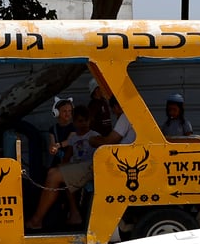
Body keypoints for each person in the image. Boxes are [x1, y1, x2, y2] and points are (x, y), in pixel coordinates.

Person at [26, 95, 135, 230]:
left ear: (117, 107)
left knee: (54, 176)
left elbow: (108, 141)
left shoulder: (125, 116)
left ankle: (37, 220)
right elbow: (68, 150)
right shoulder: (61, 131)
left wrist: (94, 141)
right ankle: (72, 213)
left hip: (103, 164)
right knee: (56, 171)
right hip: (100, 162)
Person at [47, 97, 75, 166]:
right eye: (64, 111)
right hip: (60, 159)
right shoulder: (53, 129)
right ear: (57, 112)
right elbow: (52, 143)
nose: (67, 113)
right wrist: (52, 149)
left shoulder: (74, 127)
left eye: (69, 111)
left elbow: (69, 141)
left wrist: (58, 145)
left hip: (72, 158)